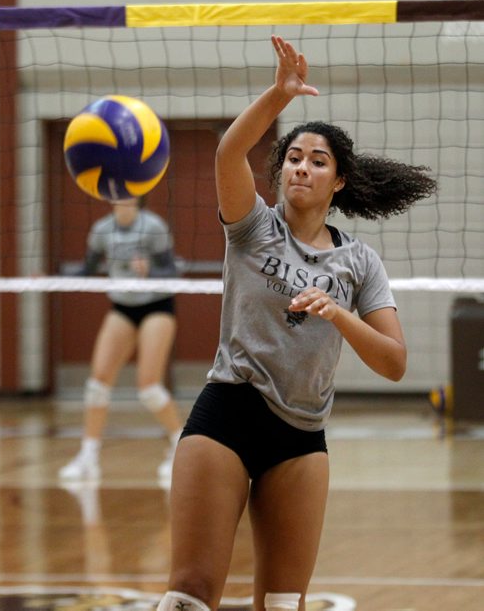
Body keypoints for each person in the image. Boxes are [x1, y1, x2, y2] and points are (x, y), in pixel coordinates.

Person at [156, 35, 438, 611]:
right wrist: (277, 95)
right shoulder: (253, 226)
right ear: (280, 170)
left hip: (301, 438)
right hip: (227, 416)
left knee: (285, 604)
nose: (301, 167)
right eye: (292, 157)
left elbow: (394, 361)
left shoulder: (359, 262)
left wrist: (338, 312)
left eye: (317, 160)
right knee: (188, 595)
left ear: (337, 183)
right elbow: (226, 156)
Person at [58, 195, 183, 484]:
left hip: (157, 305)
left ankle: (179, 446)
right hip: (122, 307)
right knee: (97, 384)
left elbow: (172, 271)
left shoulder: (152, 226)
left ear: (137, 196)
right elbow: (86, 270)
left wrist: (150, 270)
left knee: (149, 387)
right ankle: (88, 457)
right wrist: (47, 278)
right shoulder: (102, 229)